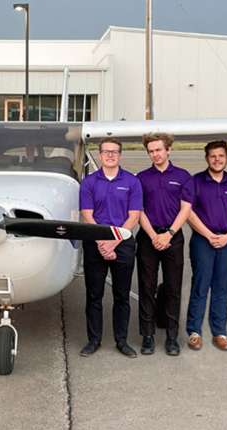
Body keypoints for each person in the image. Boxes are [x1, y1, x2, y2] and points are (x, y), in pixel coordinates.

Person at [79, 137, 143, 358]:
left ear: (120, 155)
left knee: (121, 295)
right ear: (99, 154)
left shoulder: (132, 182)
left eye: (114, 152)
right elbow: (87, 214)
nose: (110, 155)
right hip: (95, 242)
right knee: (94, 295)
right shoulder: (89, 182)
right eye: (106, 151)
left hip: (122, 243)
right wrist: (101, 241)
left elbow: (134, 216)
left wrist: (114, 241)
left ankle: (121, 341)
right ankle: (94, 340)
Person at [182, 140, 227, 351]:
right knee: (201, 284)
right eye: (213, 156)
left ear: (226, 157)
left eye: (221, 156)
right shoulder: (196, 181)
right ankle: (194, 331)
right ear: (207, 158)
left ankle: (220, 332)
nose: (217, 159)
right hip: (203, 241)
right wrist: (209, 235)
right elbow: (188, 213)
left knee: (222, 286)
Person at [135, 133, 192, 356]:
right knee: (146, 287)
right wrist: (153, 235)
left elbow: (185, 208)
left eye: (159, 149)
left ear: (168, 150)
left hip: (173, 237)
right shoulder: (141, 177)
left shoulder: (183, 176)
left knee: (172, 288)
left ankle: (171, 337)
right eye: (151, 151)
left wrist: (169, 234)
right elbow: (138, 210)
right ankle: (147, 336)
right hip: (148, 237)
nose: (155, 154)